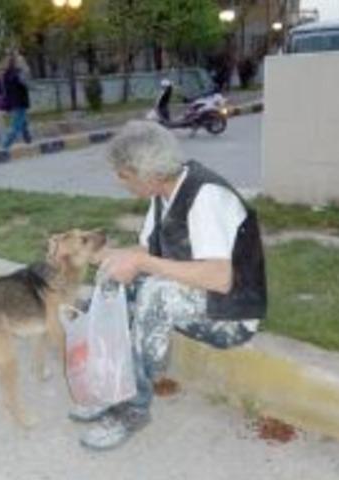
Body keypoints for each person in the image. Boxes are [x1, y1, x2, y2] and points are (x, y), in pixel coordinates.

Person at [73, 120, 267, 451]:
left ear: (147, 173)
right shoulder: (165, 192)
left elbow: (221, 279)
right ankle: (111, 387)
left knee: (155, 294)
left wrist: (142, 264)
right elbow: (148, 251)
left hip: (230, 315)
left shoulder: (206, 197)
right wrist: (105, 256)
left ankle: (132, 408)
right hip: (196, 295)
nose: (120, 181)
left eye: (123, 174)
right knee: (111, 281)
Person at [1, 52, 32, 149]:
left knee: (23, 121)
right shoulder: (19, 73)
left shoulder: (7, 74)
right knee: (16, 125)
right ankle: (6, 145)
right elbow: (26, 83)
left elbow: (6, 89)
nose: (23, 62)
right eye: (22, 61)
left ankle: (28, 138)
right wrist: (26, 70)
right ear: (16, 62)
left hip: (13, 101)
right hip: (21, 101)